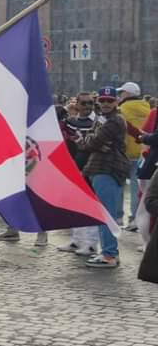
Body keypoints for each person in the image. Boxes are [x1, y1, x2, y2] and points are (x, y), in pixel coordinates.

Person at [77, 86, 131, 268]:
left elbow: (90, 142)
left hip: (108, 169)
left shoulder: (115, 120)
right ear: (98, 101)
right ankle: (107, 252)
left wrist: (92, 141)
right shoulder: (103, 119)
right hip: (100, 169)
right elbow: (89, 142)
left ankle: (110, 255)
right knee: (104, 213)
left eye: (110, 100)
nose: (106, 103)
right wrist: (92, 141)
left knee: (107, 214)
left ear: (117, 101)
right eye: (103, 100)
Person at [58, 91, 99, 256]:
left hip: (91, 168)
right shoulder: (71, 122)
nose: (87, 106)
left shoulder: (98, 122)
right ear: (77, 105)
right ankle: (77, 240)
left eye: (90, 103)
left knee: (91, 206)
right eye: (84, 103)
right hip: (74, 167)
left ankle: (91, 244)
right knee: (76, 204)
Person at [118, 82, 148, 231]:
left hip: (124, 153)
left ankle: (117, 217)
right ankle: (135, 219)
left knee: (119, 186)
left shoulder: (121, 110)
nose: (119, 96)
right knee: (138, 189)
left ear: (127, 94)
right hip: (143, 152)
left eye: (121, 93)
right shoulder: (148, 108)